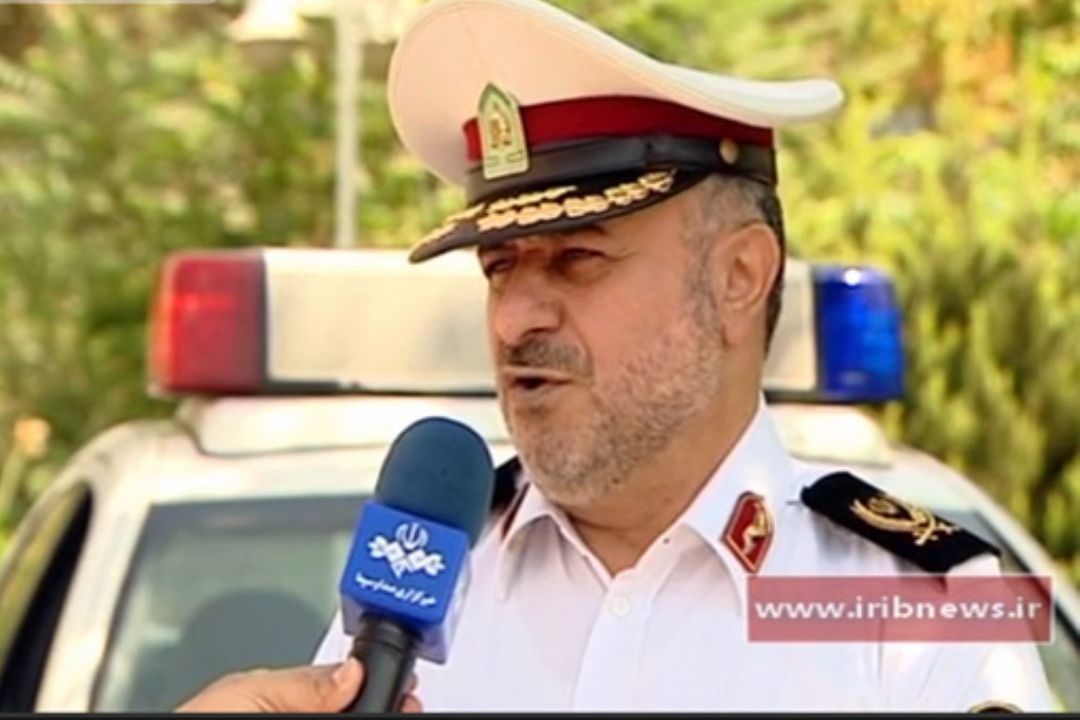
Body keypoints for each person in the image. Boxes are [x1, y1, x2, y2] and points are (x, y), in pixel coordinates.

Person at [180, 0, 1055, 712]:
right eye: (499, 268)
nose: (515, 318)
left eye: (578, 259)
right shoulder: (425, 582)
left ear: (738, 278)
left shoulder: (913, 613)